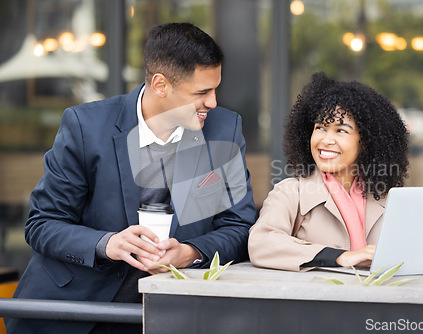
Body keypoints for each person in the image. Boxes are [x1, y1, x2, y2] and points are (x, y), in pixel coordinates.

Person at [6, 22, 256, 334]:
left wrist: (190, 253)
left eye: (215, 89)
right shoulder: (85, 126)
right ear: (160, 85)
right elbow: (43, 224)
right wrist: (106, 244)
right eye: (202, 92)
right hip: (73, 311)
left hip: (172, 315)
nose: (213, 102)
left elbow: (240, 226)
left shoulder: (224, 129)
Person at [248, 72, 409, 272]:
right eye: (321, 128)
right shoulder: (290, 192)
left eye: (341, 131)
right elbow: (260, 244)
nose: (326, 140)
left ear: (366, 141)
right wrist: (340, 257)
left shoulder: (389, 197)